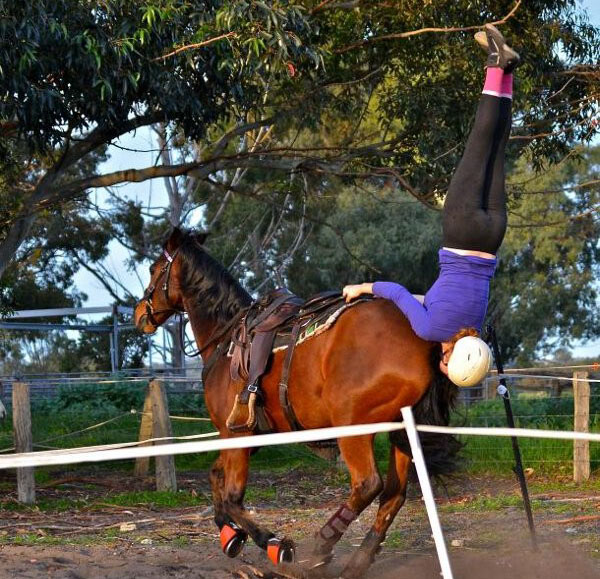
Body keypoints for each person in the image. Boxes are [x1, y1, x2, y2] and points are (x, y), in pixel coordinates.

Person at [343, 24, 520, 387]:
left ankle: (505, 70)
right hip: (463, 229)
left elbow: (433, 298)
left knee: (497, 146)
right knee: (479, 142)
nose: (439, 364)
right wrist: (362, 289)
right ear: (451, 358)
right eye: (444, 365)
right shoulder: (428, 330)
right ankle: (495, 63)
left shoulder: (474, 323)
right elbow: (395, 292)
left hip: (492, 235)